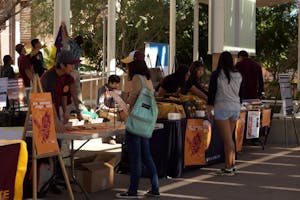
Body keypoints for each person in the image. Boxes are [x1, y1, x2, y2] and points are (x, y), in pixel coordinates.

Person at [115, 50, 160, 198]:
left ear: (133, 64)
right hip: (145, 123)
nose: (127, 68)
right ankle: (155, 187)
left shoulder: (136, 78)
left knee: (135, 158)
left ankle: (132, 191)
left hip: (135, 122)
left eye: (129, 64)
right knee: (147, 156)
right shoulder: (148, 79)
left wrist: (125, 104)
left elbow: (133, 98)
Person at [207, 51, 243, 176]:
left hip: (222, 108)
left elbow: (211, 93)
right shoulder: (238, 75)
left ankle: (230, 167)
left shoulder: (216, 74)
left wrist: (209, 109)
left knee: (227, 140)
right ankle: (230, 166)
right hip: (235, 108)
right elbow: (241, 93)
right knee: (229, 138)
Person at [41, 50, 83, 126]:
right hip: (44, 114)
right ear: (62, 65)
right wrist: (56, 122)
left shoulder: (67, 76)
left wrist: (65, 113)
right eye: (71, 64)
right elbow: (50, 102)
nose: (73, 67)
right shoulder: (49, 77)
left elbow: (65, 94)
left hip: (56, 111)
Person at [61, 22, 83, 109]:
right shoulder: (79, 49)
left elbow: (66, 38)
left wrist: (64, 28)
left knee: (71, 89)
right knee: (77, 89)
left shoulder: (74, 46)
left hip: (72, 70)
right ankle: (78, 106)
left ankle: (72, 107)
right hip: (77, 71)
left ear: (76, 40)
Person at [97, 74, 121, 144]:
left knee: (121, 116)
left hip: (112, 109)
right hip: (102, 110)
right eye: (115, 84)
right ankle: (107, 138)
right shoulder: (103, 90)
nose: (117, 86)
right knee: (112, 117)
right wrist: (110, 109)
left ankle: (118, 137)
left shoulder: (114, 90)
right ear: (110, 83)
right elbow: (100, 105)